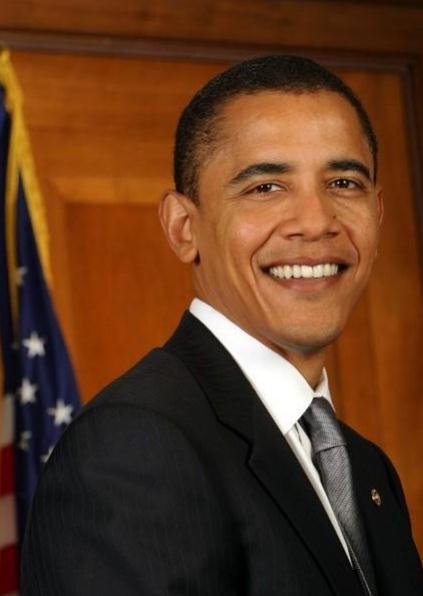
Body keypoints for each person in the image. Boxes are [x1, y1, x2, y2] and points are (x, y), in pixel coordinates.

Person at [21, 55, 422, 595]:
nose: (316, 222)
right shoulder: (134, 446)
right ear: (184, 228)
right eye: (266, 187)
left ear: (377, 212)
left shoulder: (367, 469)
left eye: (343, 182)